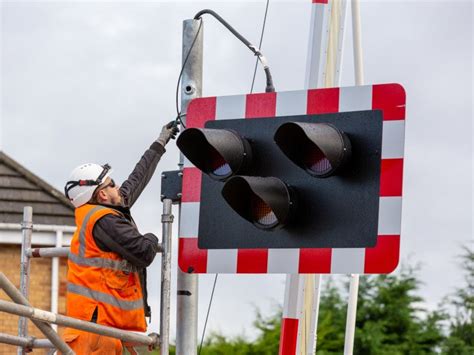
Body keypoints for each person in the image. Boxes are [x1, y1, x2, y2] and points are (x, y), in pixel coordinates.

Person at [62, 121, 179, 354]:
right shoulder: (105, 221)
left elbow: (135, 181)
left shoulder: (101, 213)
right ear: (103, 194)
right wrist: (153, 235)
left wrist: (159, 143)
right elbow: (144, 252)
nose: (118, 187)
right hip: (96, 333)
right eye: (112, 184)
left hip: (102, 328)